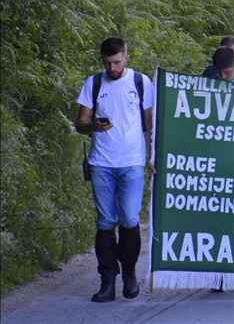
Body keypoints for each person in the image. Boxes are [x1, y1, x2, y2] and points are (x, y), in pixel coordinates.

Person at [75, 36, 154, 302]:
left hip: (132, 161)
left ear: (126, 57)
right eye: (108, 63)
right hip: (101, 163)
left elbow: (149, 125)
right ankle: (108, 280)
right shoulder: (94, 83)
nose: (113, 69)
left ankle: (129, 274)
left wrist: (151, 156)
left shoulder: (141, 83)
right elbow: (80, 123)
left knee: (130, 219)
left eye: (117, 62)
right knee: (106, 222)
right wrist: (93, 126)